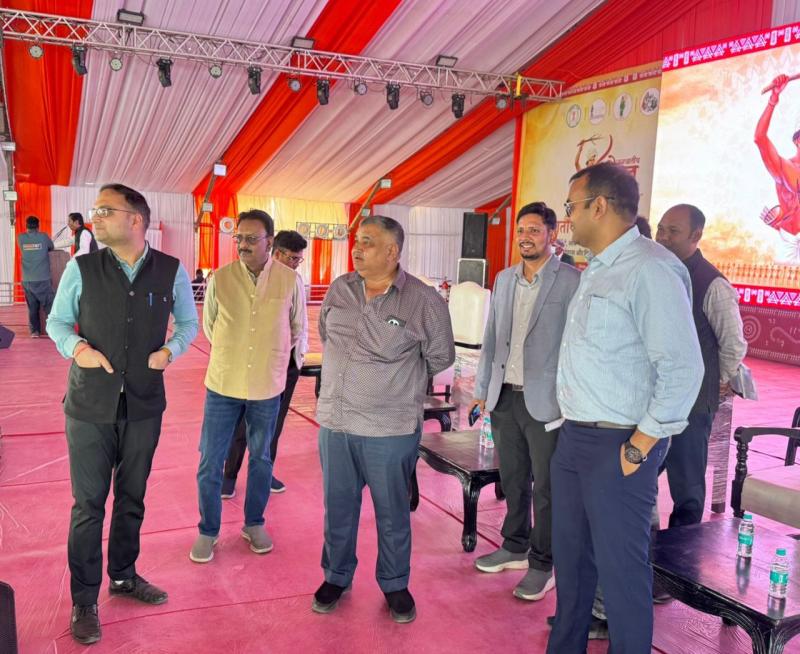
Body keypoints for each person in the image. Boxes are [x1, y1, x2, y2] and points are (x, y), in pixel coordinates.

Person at [547, 163, 703, 654]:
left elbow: (682, 367)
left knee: (621, 573)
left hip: (619, 442)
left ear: (599, 206)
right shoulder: (598, 268)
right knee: (571, 565)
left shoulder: (649, 269)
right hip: (575, 436)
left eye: (571, 207)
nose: (568, 217)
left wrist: (640, 445)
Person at [46, 183, 198, 645]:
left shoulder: (171, 270)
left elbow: (189, 323)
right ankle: (84, 599)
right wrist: (79, 349)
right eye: (95, 211)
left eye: (105, 211)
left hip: (144, 403)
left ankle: (124, 575)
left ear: (135, 219)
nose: (95, 218)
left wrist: (169, 352)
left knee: (132, 496)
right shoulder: (82, 267)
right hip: (90, 405)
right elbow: (56, 322)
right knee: (89, 505)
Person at [312, 215, 454, 624]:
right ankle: (336, 576)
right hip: (336, 423)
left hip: (388, 430)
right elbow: (326, 334)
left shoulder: (423, 301)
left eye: (368, 242)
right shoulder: (340, 289)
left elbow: (440, 357)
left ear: (392, 251)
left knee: (392, 512)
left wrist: (393, 383)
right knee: (338, 507)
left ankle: (394, 584)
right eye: (357, 240)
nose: (357, 248)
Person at [471, 201, 579, 601]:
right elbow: (491, 338)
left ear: (552, 234)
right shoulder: (504, 279)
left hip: (547, 402)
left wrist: (571, 400)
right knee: (513, 479)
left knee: (547, 487)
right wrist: (482, 389)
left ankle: (543, 563)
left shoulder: (571, 281)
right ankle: (514, 545)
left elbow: (578, 344)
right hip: (504, 396)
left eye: (534, 230)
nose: (525, 237)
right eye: (521, 230)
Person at [191, 210, 306, 564]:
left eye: (251, 238)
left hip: (266, 387)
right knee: (210, 460)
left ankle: (254, 523)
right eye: (239, 238)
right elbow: (210, 327)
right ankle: (208, 530)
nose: (243, 244)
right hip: (223, 384)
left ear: (269, 241)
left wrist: (265, 359)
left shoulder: (289, 281)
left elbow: (296, 328)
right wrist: (238, 355)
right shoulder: (221, 278)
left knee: (261, 459)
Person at [656, 204, 747, 526]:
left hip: (692, 404)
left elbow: (733, 344)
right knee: (639, 474)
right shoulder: (655, 272)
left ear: (696, 235)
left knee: (687, 486)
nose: (662, 237)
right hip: (654, 395)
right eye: (660, 229)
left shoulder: (712, 284)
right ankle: (645, 544)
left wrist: (717, 381)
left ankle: (682, 553)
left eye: (673, 231)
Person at [221, 229, 309, 497]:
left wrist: (286, 354)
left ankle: (264, 473)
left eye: (299, 259)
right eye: (292, 258)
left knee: (274, 425)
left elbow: (299, 324)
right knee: (241, 423)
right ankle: (229, 475)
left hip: (285, 364)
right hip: (251, 363)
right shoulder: (250, 277)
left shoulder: (294, 280)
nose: (296, 263)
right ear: (277, 252)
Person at [755, 74, 800, 234]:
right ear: (798, 141)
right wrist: (773, 99)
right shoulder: (787, 168)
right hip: (792, 239)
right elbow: (760, 138)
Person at [17, 215, 54, 338]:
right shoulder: (43, 236)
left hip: (27, 279)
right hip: (42, 278)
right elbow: (51, 247)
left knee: (32, 307)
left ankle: (35, 332)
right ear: (38, 226)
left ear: (26, 225)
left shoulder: (20, 238)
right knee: (49, 305)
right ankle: (52, 330)